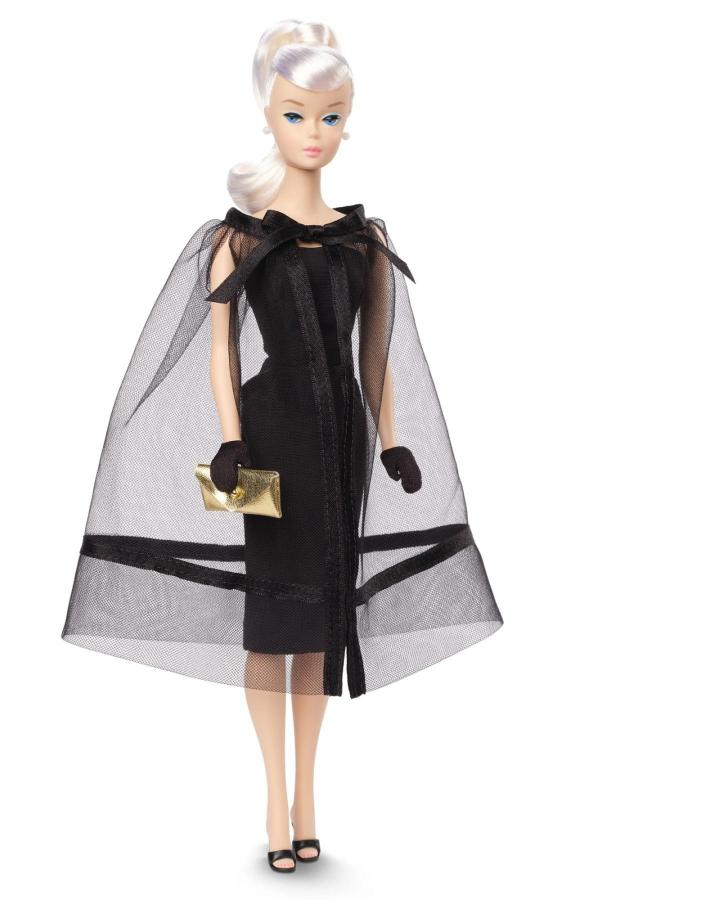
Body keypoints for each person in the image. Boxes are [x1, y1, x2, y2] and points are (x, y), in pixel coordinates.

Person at [62, 19, 503, 873]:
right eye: (298, 114)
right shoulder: (238, 236)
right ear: (268, 114)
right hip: (270, 444)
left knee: (324, 621)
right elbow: (219, 350)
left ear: (348, 122)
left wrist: (392, 439)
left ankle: (308, 799)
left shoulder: (364, 240)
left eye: (330, 117)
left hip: (341, 445)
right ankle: (275, 799)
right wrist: (230, 438)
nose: (314, 132)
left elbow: (377, 353)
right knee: (273, 622)